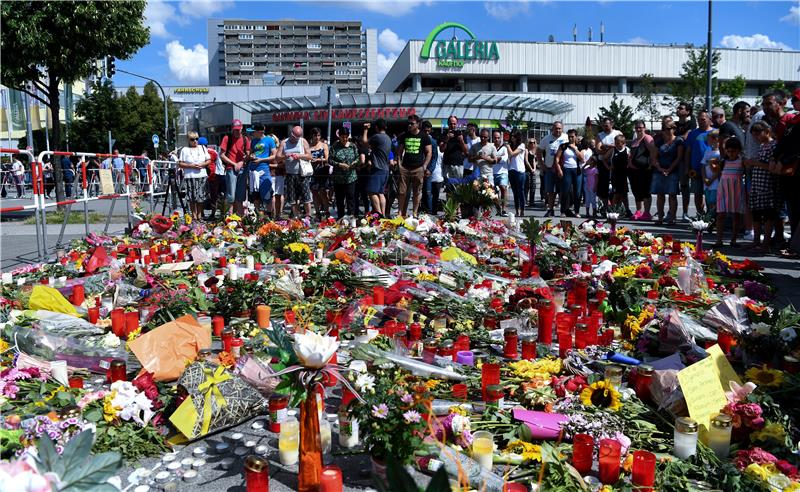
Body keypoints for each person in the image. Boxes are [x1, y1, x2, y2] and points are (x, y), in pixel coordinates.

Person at [744, 121, 780, 252]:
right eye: (754, 135)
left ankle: (765, 244)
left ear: (767, 131)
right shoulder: (762, 146)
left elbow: (772, 167)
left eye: (758, 134)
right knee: (757, 215)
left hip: (768, 185)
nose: (756, 138)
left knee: (768, 216)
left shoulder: (773, 146)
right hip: (757, 185)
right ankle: (756, 241)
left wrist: (755, 163)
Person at [396, 114, 432, 217]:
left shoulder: (424, 136)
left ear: (418, 124)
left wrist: (424, 166)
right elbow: (399, 152)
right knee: (402, 192)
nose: (409, 125)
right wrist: (399, 165)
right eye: (408, 123)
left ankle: (415, 213)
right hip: (405, 168)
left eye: (412, 123)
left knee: (417, 192)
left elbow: (429, 152)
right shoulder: (404, 135)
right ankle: (400, 213)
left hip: (418, 168)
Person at [714, 137, 746, 248]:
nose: (730, 153)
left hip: (736, 190)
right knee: (720, 215)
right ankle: (719, 240)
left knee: (736, 215)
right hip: (723, 189)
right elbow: (719, 174)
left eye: (733, 151)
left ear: (738, 150)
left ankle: (733, 240)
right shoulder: (723, 161)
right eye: (728, 151)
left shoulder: (742, 161)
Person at [276, 125, 313, 218]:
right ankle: (296, 216)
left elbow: (310, 156)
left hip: (302, 174)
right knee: (292, 199)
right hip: (290, 174)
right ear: (291, 133)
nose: (294, 139)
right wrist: (285, 156)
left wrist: (299, 155)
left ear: (299, 136)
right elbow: (277, 158)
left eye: (296, 138)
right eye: (293, 136)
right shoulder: (284, 142)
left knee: (306, 197)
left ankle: (308, 216)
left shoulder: (303, 141)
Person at [651, 122, 683, 224]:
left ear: (674, 129)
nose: (667, 131)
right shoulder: (659, 141)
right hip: (659, 171)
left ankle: (671, 218)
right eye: (664, 128)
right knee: (660, 195)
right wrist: (660, 168)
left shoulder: (678, 141)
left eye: (669, 128)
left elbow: (679, 157)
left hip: (673, 171)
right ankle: (660, 217)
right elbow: (654, 157)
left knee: (672, 195)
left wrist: (669, 169)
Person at [684, 110, 712, 219]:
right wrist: (687, 167)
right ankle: (700, 215)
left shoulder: (715, 132)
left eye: (703, 119)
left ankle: (710, 216)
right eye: (699, 119)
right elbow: (688, 151)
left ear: (709, 120)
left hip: (711, 170)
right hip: (695, 169)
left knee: (710, 195)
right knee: (697, 193)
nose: (700, 121)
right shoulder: (692, 134)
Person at [219, 119, 251, 216]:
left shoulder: (246, 139)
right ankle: (228, 217)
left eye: (238, 129)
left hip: (242, 168)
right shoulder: (227, 138)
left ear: (241, 128)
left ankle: (239, 218)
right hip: (230, 168)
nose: (236, 131)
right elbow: (222, 155)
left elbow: (248, 154)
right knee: (231, 196)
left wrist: (242, 161)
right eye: (235, 130)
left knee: (240, 196)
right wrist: (234, 164)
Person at [178, 131, 211, 220]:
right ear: (188, 140)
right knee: (192, 197)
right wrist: (190, 166)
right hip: (190, 176)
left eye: (197, 139)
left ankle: (200, 215)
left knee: (200, 197)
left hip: (201, 175)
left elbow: (209, 160)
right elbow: (180, 163)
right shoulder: (184, 150)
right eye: (192, 139)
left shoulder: (203, 148)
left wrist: (202, 164)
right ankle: (194, 215)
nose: (195, 141)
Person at [628, 121, 657, 220]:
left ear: (644, 128)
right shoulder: (635, 140)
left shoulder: (647, 138)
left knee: (645, 191)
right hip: (633, 171)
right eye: (636, 128)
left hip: (645, 170)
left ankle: (647, 212)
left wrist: (650, 165)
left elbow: (653, 152)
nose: (638, 129)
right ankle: (639, 211)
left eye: (640, 127)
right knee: (637, 192)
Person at [538, 121, 568, 217]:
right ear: (552, 129)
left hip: (562, 168)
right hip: (550, 168)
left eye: (559, 128)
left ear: (562, 129)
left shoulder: (566, 137)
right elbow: (538, 151)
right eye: (556, 128)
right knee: (550, 191)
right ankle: (550, 209)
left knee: (562, 190)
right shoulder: (546, 139)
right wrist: (541, 164)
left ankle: (563, 210)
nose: (558, 130)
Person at [362, 119, 391, 217]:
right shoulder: (388, 137)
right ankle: (382, 214)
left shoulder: (377, 137)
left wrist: (365, 130)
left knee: (371, 191)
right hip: (385, 169)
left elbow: (365, 142)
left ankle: (378, 214)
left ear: (376, 127)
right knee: (380, 192)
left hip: (378, 168)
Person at [329, 127, 359, 218]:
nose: (344, 139)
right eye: (342, 137)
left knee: (351, 198)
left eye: (346, 137)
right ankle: (341, 218)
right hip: (338, 179)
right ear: (339, 137)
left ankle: (351, 218)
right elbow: (330, 160)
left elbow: (357, 158)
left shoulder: (353, 146)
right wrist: (339, 164)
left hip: (351, 177)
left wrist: (355, 163)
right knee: (339, 200)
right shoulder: (335, 146)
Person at [595, 117, 622, 214]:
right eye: (603, 125)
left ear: (611, 124)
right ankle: (606, 208)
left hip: (616, 163)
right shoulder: (599, 135)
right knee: (603, 186)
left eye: (607, 125)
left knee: (617, 187)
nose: (605, 127)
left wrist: (608, 146)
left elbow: (621, 145)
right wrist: (609, 147)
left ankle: (617, 208)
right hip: (603, 163)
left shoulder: (618, 133)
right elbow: (598, 150)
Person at [248, 123, 277, 214]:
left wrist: (261, 160)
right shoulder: (253, 141)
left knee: (268, 193)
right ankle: (256, 216)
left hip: (264, 170)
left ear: (260, 132)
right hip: (253, 171)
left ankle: (270, 214)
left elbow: (274, 156)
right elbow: (251, 153)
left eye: (253, 132)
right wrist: (251, 156)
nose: (252, 133)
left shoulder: (269, 140)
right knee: (255, 195)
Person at [554, 129, 583, 217]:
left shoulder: (579, 146)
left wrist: (575, 149)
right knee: (565, 191)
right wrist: (559, 169)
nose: (570, 138)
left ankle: (577, 212)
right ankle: (563, 211)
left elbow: (582, 158)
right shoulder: (563, 146)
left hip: (577, 171)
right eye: (569, 137)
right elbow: (557, 158)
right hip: (566, 170)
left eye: (572, 137)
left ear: (576, 137)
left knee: (577, 192)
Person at [308, 127, 330, 220]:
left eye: (318, 135)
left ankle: (326, 212)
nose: (317, 137)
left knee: (323, 192)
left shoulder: (324, 145)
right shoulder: (309, 146)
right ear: (312, 136)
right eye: (315, 135)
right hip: (312, 172)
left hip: (322, 170)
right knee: (314, 192)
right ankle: (317, 213)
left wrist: (317, 159)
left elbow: (327, 158)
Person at [441, 115, 469, 182]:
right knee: (448, 187)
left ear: (457, 124)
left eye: (454, 123)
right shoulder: (444, 134)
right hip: (447, 164)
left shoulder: (461, 134)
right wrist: (447, 139)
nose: (452, 125)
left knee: (458, 185)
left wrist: (461, 141)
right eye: (451, 123)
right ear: (448, 124)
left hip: (458, 164)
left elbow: (466, 151)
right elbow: (441, 150)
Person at [421, 120, 440, 215]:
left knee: (428, 192)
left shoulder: (433, 142)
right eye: (425, 131)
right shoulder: (419, 139)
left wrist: (430, 169)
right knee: (418, 192)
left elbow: (434, 157)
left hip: (427, 170)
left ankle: (428, 212)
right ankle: (420, 211)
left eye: (428, 131)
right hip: (417, 169)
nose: (426, 133)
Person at [701, 130, 722, 216]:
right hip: (707, 182)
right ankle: (709, 219)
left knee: (714, 202)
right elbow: (703, 165)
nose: (707, 141)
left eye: (709, 139)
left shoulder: (720, 153)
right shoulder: (707, 151)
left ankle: (714, 220)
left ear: (716, 139)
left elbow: (720, 169)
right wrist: (704, 178)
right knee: (709, 201)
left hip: (715, 182)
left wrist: (712, 179)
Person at [506, 131, 527, 217]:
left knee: (520, 191)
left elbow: (512, 154)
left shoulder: (521, 145)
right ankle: (517, 210)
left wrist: (507, 146)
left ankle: (522, 210)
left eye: (514, 136)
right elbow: (508, 157)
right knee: (515, 192)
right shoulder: (510, 146)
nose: (512, 137)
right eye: (511, 136)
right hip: (511, 170)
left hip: (520, 171)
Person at [607, 134, 630, 207]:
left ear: (623, 143)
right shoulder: (613, 150)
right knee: (616, 194)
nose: (616, 144)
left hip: (624, 176)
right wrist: (608, 167)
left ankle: (627, 210)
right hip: (615, 176)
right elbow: (603, 158)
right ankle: (613, 210)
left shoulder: (627, 150)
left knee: (624, 194)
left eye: (618, 143)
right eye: (615, 142)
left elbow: (631, 160)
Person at [492, 129, 509, 216]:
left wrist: (495, 158)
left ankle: (504, 209)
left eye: (498, 138)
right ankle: (498, 209)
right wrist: (499, 158)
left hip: (503, 172)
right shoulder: (490, 147)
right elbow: (489, 159)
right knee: (493, 192)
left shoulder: (504, 148)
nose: (497, 139)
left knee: (503, 188)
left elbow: (504, 159)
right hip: (492, 172)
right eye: (495, 138)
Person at [525, 137, 538, 207]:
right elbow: (526, 161)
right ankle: (525, 201)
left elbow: (535, 161)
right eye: (530, 142)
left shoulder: (534, 151)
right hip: (527, 170)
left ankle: (532, 201)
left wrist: (534, 169)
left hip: (533, 171)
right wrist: (531, 169)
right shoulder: (526, 151)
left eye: (534, 142)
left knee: (533, 186)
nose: (532, 144)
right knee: (527, 186)